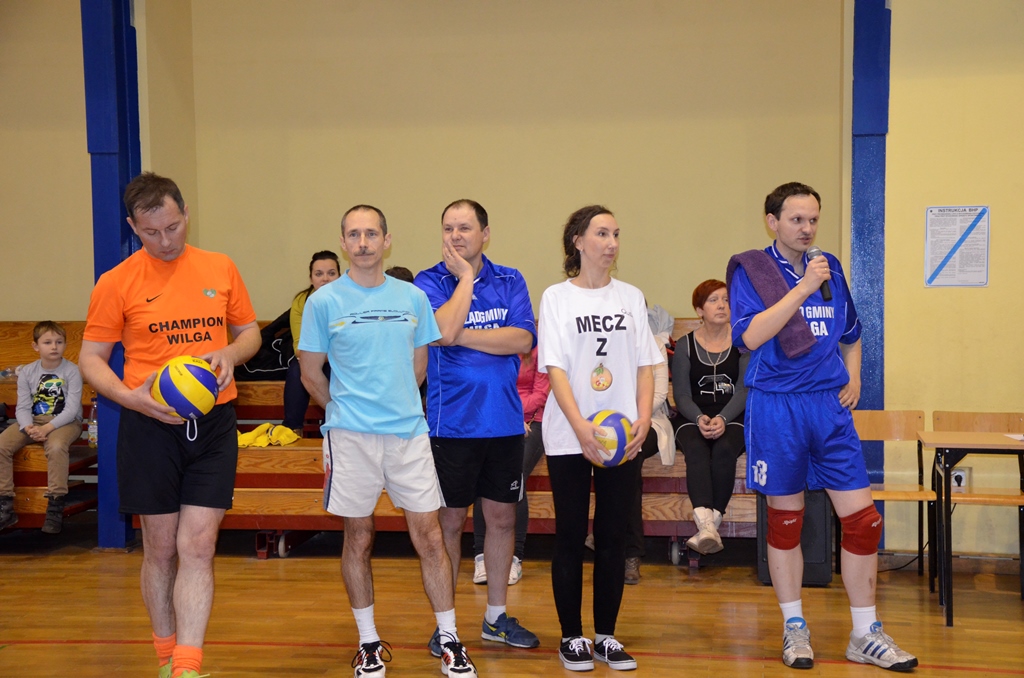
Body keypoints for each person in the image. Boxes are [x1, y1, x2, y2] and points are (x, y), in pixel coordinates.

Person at [728, 182, 917, 672]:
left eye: (813, 219)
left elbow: (851, 334)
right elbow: (750, 336)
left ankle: (865, 633)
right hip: (778, 407)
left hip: (828, 408)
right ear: (772, 221)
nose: (807, 229)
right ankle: (794, 627)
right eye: (797, 220)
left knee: (864, 521)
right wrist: (802, 289)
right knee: (787, 519)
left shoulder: (829, 266)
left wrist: (854, 377)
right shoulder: (752, 270)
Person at [79, 172, 261, 678]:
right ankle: (165, 656)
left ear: (185, 215)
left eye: (173, 227)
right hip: (149, 425)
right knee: (160, 550)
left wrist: (229, 353)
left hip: (214, 423)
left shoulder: (219, 267)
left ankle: (187, 665)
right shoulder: (116, 282)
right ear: (134, 227)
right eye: (151, 232)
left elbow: (249, 332)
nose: (164, 241)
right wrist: (130, 398)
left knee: (198, 546)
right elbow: (91, 358)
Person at [299, 204, 478, 677]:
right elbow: (311, 374)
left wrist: (392, 405)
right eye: (354, 235)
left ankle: (450, 639)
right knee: (358, 536)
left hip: (407, 435)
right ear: (343, 242)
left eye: (371, 234)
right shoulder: (323, 302)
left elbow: (419, 367)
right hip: (350, 438)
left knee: (430, 536)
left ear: (386, 240)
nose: (363, 243)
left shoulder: (412, 298)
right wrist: (344, 412)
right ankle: (368, 643)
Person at [538, 205, 663, 672]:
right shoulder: (556, 298)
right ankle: (571, 636)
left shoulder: (630, 297)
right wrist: (580, 427)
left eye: (616, 234)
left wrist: (643, 420)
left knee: (613, 536)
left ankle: (606, 636)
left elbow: (645, 364)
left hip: (621, 436)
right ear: (578, 241)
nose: (611, 243)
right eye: (602, 234)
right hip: (570, 435)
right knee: (571, 534)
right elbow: (555, 369)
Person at [414, 199, 540, 655]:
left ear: (485, 233)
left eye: (465, 228)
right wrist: (465, 279)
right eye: (448, 228)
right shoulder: (428, 282)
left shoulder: (510, 279)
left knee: (502, 518)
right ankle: (446, 627)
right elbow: (440, 331)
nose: (455, 236)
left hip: (503, 422)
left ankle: (495, 618)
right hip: (450, 425)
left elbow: (521, 339)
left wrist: (459, 335)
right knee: (448, 522)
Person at [671, 279, 749, 555]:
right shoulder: (685, 345)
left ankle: (707, 526)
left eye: (726, 300)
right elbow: (681, 395)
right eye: (713, 300)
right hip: (693, 417)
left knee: (725, 449)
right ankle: (708, 526)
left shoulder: (743, 342)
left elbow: (743, 389)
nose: (722, 305)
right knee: (696, 448)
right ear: (699, 310)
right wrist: (699, 418)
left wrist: (723, 419)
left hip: (733, 416)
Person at [470, 346, 549, 587]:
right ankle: (481, 557)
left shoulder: (540, 348)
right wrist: (507, 415)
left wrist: (513, 414)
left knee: (514, 476)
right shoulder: (493, 345)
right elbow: (485, 387)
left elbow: (541, 394)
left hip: (533, 421)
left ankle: (515, 558)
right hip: (495, 417)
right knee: (484, 476)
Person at [0, 321, 83, 534]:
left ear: (65, 345)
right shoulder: (28, 372)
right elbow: (23, 406)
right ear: (36, 346)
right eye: (47, 342)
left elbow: (71, 409)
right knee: (1, 445)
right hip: (33, 421)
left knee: (56, 447)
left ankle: (55, 503)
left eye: (59, 342)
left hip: (65, 422)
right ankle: (5, 504)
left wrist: (47, 429)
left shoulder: (72, 371)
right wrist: (28, 427)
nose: (54, 347)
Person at [283, 250, 340, 432]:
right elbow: (299, 349)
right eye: (319, 274)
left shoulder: (350, 300)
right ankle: (292, 430)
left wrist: (325, 355)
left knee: (336, 370)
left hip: (340, 361)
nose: (325, 279)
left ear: (340, 277)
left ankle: (335, 426)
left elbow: (350, 347)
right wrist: (327, 355)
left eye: (331, 273)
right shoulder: (302, 301)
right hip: (315, 358)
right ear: (311, 278)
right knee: (297, 370)